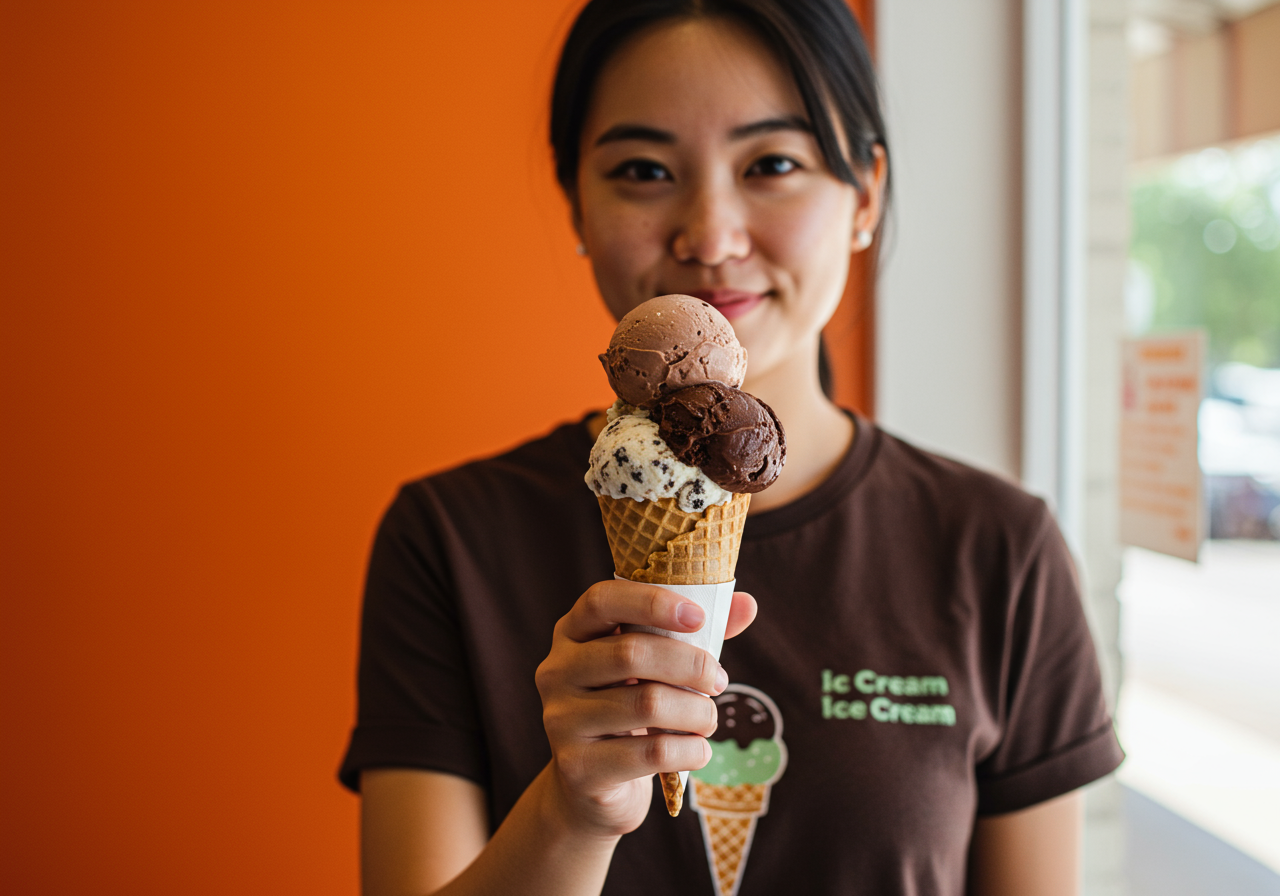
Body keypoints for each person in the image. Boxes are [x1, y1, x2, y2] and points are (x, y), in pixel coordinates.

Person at [339, 1, 1124, 894]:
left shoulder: (998, 550)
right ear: (577, 205)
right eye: (642, 169)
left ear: (865, 194)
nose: (709, 236)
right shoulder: (450, 537)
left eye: (773, 164)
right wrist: (572, 812)